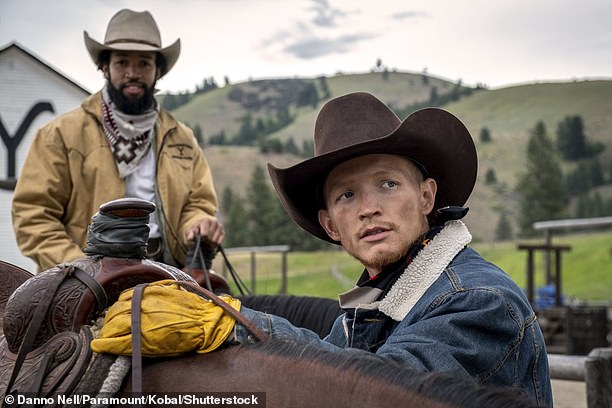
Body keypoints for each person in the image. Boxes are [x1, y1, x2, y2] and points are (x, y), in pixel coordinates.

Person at [94, 92, 552, 406]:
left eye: (387, 184)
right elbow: (333, 354)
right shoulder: (371, 296)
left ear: (427, 198)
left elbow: (368, 390)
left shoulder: (478, 301)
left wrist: (233, 322)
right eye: (347, 195)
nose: (368, 208)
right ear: (331, 225)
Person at [11, 9, 223, 272]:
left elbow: (198, 203)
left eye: (144, 63)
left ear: (158, 71)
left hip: (169, 271)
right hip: (85, 277)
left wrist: (198, 223)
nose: (132, 73)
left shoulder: (182, 138)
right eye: (122, 62)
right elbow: (33, 215)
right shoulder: (61, 134)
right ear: (104, 68)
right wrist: (82, 269)